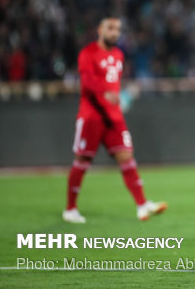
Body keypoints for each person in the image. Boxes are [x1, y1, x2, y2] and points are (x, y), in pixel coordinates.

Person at [63, 15, 167, 223]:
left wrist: (118, 98)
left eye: (118, 29)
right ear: (100, 30)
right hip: (91, 115)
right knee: (83, 160)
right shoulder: (88, 53)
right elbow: (88, 82)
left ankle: (142, 205)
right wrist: (105, 93)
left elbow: (113, 85)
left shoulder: (119, 55)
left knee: (126, 156)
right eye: (110, 28)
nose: (114, 33)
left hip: (113, 116)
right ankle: (70, 209)